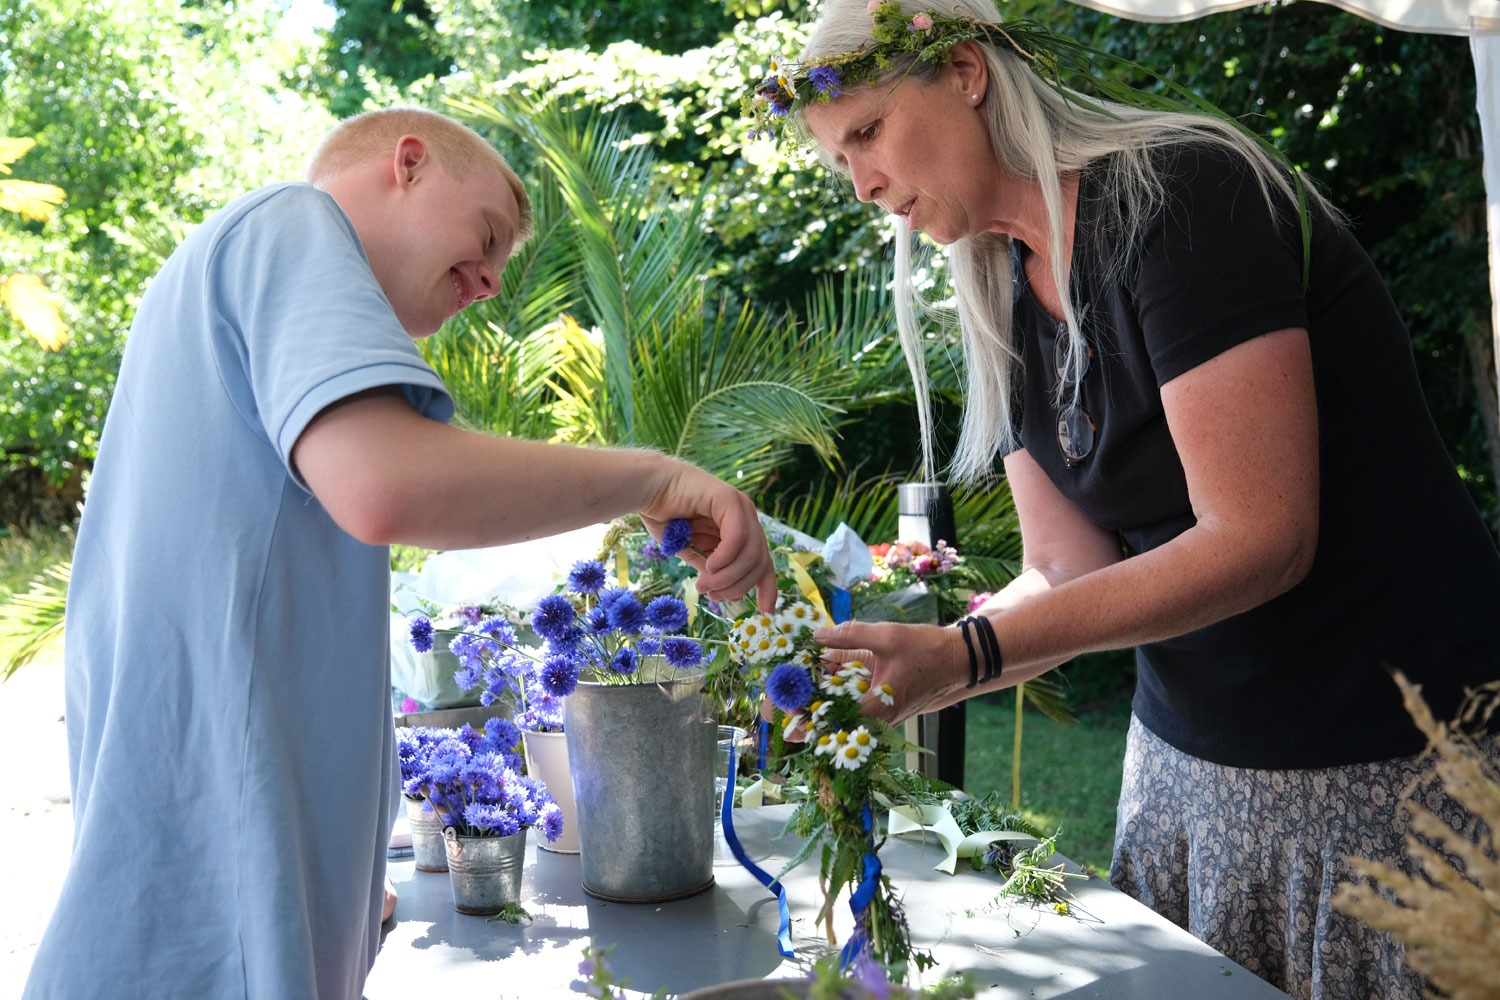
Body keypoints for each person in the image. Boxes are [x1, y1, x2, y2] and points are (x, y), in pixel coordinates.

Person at [747, 2, 1500, 998]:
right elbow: (1063, 572)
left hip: (1386, 772)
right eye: (839, 160)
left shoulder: (1184, 198)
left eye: (868, 134)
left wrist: (960, 656)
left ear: (967, 71)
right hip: (1184, 777)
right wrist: (916, 667)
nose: (863, 185)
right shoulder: (1000, 287)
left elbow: (1264, 535)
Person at [24, 107, 777, 1000]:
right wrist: (655, 480)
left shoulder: (218, 300)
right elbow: (388, 485)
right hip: (212, 925)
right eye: (489, 234)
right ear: (409, 164)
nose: (493, 282)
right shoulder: (291, 223)